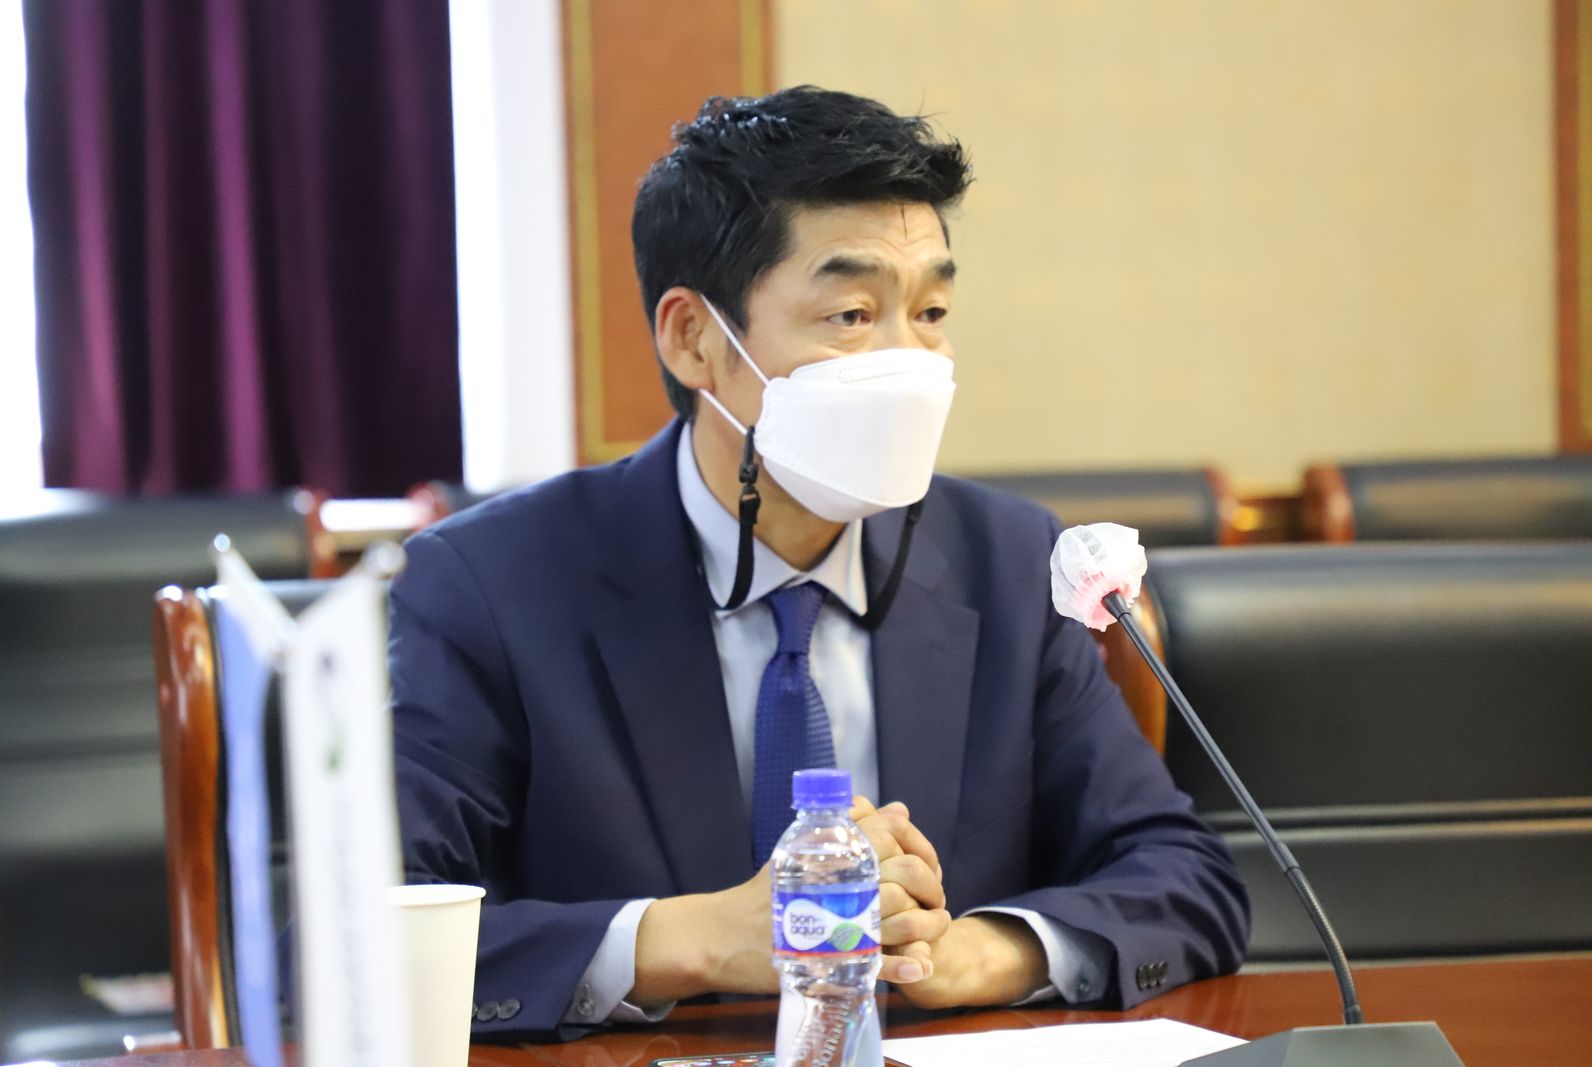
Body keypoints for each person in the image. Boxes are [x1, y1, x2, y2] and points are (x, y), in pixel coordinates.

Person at [389, 85, 1249, 1041]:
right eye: (850, 314)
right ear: (693, 338)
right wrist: (694, 938)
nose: (907, 361)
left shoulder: (1007, 561)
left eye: (930, 310)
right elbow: (367, 934)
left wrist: (979, 951)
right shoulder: (490, 583)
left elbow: (1184, 878)